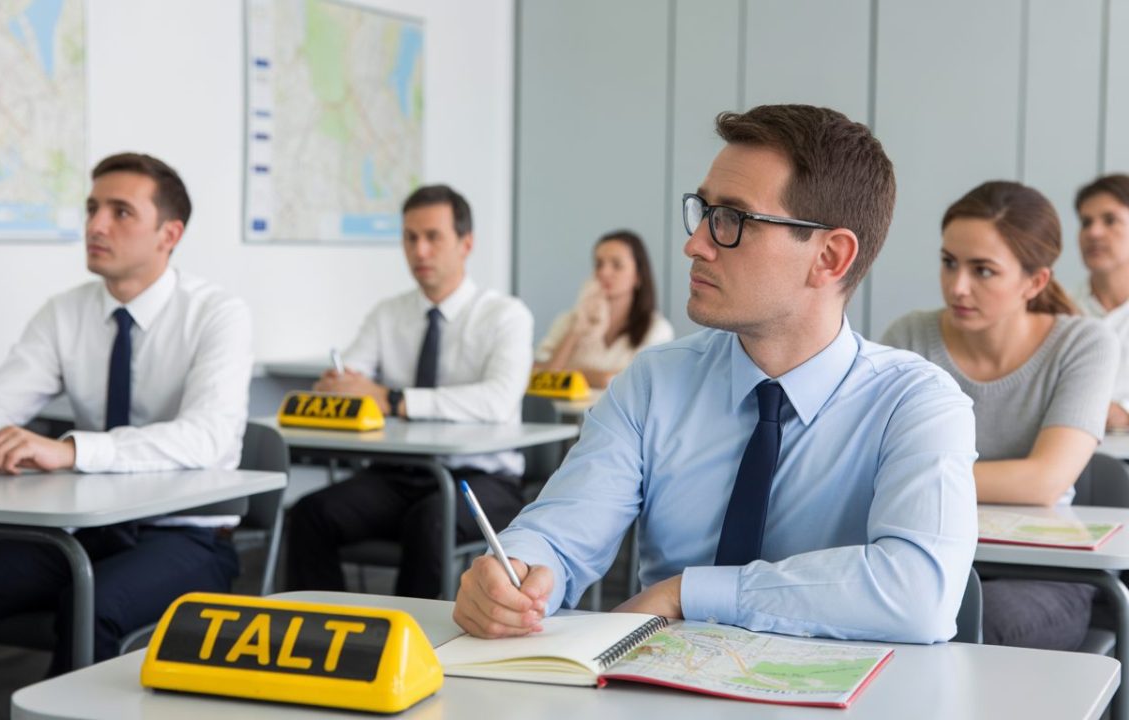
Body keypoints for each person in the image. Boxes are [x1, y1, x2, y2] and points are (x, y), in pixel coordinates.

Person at [454, 104, 978, 643]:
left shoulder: (918, 403)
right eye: (703, 211)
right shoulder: (655, 383)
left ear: (830, 257)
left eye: (732, 220)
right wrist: (514, 572)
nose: (695, 243)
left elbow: (918, 596)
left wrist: (686, 594)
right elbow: (561, 536)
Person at [0, 153, 253, 717]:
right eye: (92, 208)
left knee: (89, 604)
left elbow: (207, 437)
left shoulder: (218, 313)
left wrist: (72, 448)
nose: (95, 225)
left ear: (168, 235)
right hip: (84, 532)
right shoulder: (66, 312)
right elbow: (2, 401)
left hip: (185, 538)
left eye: (120, 212)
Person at [883, 180, 1117, 650]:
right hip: (922, 551)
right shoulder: (910, 334)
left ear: (1035, 282)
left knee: (970, 628)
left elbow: (1043, 481)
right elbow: (866, 464)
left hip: (1044, 570)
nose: (958, 286)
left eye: (983, 271)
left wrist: (917, 476)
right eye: (949, 263)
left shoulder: (1084, 344)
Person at [286, 184, 533, 598]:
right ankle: (318, 637)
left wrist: (395, 400)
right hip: (399, 474)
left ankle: (406, 645)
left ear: (465, 243)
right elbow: (352, 380)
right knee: (310, 513)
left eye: (433, 237)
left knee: (431, 520)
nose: (419, 251)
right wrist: (342, 385)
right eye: (410, 237)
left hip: (481, 477)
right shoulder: (389, 314)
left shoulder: (504, 315)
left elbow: (497, 400)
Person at [534, 230, 673, 388]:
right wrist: (575, 332)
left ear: (638, 275)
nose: (604, 272)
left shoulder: (656, 329)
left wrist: (569, 373)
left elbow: (637, 383)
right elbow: (541, 375)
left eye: (617, 265)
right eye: (599, 264)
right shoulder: (568, 321)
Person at [1071, 174, 1129, 430]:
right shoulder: (1058, 312)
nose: (1094, 232)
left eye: (1110, 220)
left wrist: (1124, 413)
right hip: (1067, 458)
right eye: (1086, 222)